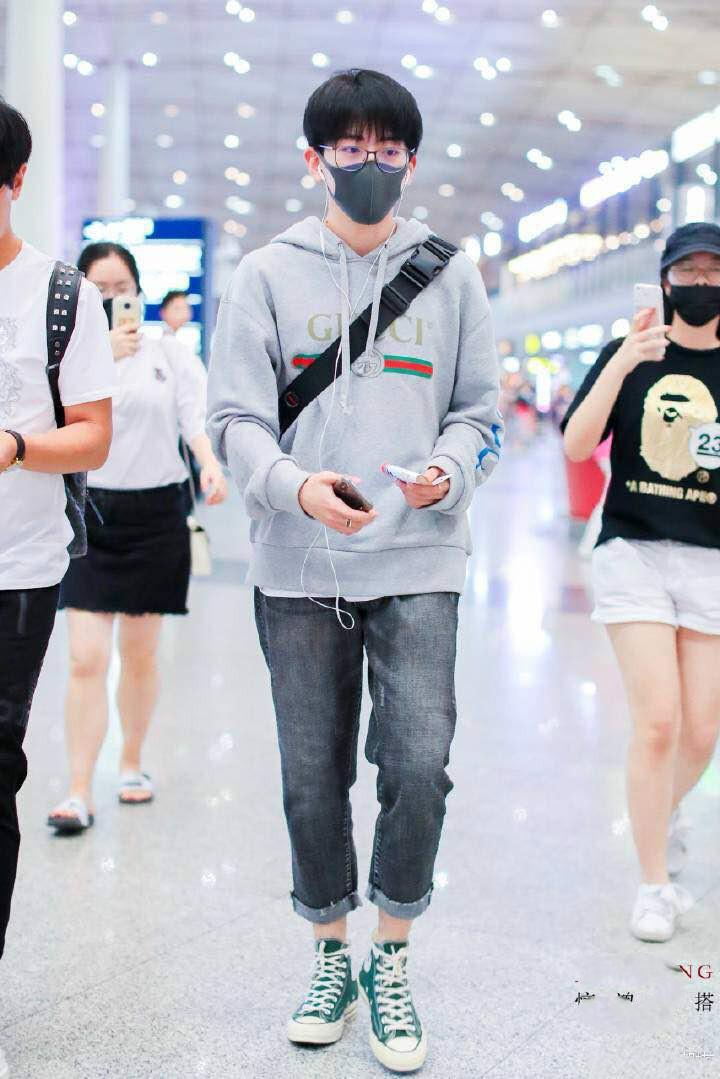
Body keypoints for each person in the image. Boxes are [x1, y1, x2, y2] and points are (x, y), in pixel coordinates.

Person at [207, 69, 502, 1073]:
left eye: (387, 149)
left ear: (411, 162)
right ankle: (331, 952)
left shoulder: (451, 275)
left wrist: (448, 470)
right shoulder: (264, 275)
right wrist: (293, 486)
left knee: (418, 761)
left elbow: (479, 413)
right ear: (315, 158)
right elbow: (234, 418)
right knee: (311, 773)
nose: (368, 163)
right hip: (299, 564)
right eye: (350, 147)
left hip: (421, 553)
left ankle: (393, 954)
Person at [563, 221, 720, 943]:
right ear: (664, 281)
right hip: (635, 552)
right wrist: (626, 357)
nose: (700, 284)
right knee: (658, 722)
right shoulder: (628, 354)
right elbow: (576, 444)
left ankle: (662, 809)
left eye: (712, 272)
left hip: (711, 559)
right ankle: (653, 884)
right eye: (687, 272)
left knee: (703, 732)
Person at [0, 98, 114, 1073]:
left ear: (16, 181)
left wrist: (13, 446)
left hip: (16, 567)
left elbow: (93, 436)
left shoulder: (60, 295)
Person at [47, 242, 227, 834]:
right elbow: (50, 423)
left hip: (155, 516)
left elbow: (194, 418)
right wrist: (99, 359)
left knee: (140, 653)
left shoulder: (169, 354)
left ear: (139, 292)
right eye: (97, 290)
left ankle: (130, 762)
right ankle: (78, 788)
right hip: (90, 515)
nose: (110, 299)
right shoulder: (67, 357)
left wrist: (210, 464)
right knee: (86, 656)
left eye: (120, 288)